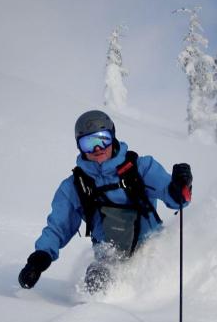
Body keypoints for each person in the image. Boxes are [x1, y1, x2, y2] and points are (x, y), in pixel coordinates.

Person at [18, 110, 192, 294]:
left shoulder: (140, 168)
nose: (97, 148)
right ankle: (100, 318)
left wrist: (180, 186)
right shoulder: (76, 186)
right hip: (110, 260)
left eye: (103, 139)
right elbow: (58, 227)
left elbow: (176, 199)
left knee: (160, 286)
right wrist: (39, 259)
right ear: (79, 147)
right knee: (96, 281)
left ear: (113, 136)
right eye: (88, 143)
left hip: (152, 251)